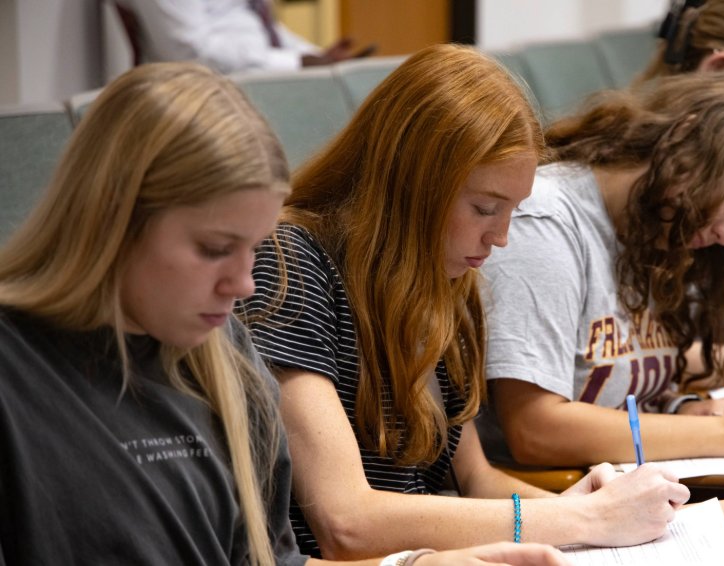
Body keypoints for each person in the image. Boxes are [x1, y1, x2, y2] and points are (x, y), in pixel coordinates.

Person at [0, 61, 566, 566]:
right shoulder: (19, 371)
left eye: (251, 248)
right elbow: (344, 521)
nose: (243, 283)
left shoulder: (222, 355)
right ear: (113, 217)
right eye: (216, 248)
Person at [239, 44, 689, 561]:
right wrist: (578, 519)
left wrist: (596, 518)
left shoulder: (440, 279)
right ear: (412, 185)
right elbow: (347, 521)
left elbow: (476, 479)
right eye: (484, 208)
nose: (500, 238)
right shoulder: (289, 263)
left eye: (512, 213)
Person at [478, 70, 724, 564]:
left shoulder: (662, 236)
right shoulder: (546, 222)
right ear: (689, 140)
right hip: (552, 499)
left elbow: (623, 378)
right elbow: (534, 428)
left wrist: (681, 411)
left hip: (631, 500)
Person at [118, 0, 368, 74]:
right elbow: (189, 54)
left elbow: (265, 28)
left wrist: (319, 55)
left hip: (256, 85)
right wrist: (297, 64)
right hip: (202, 94)